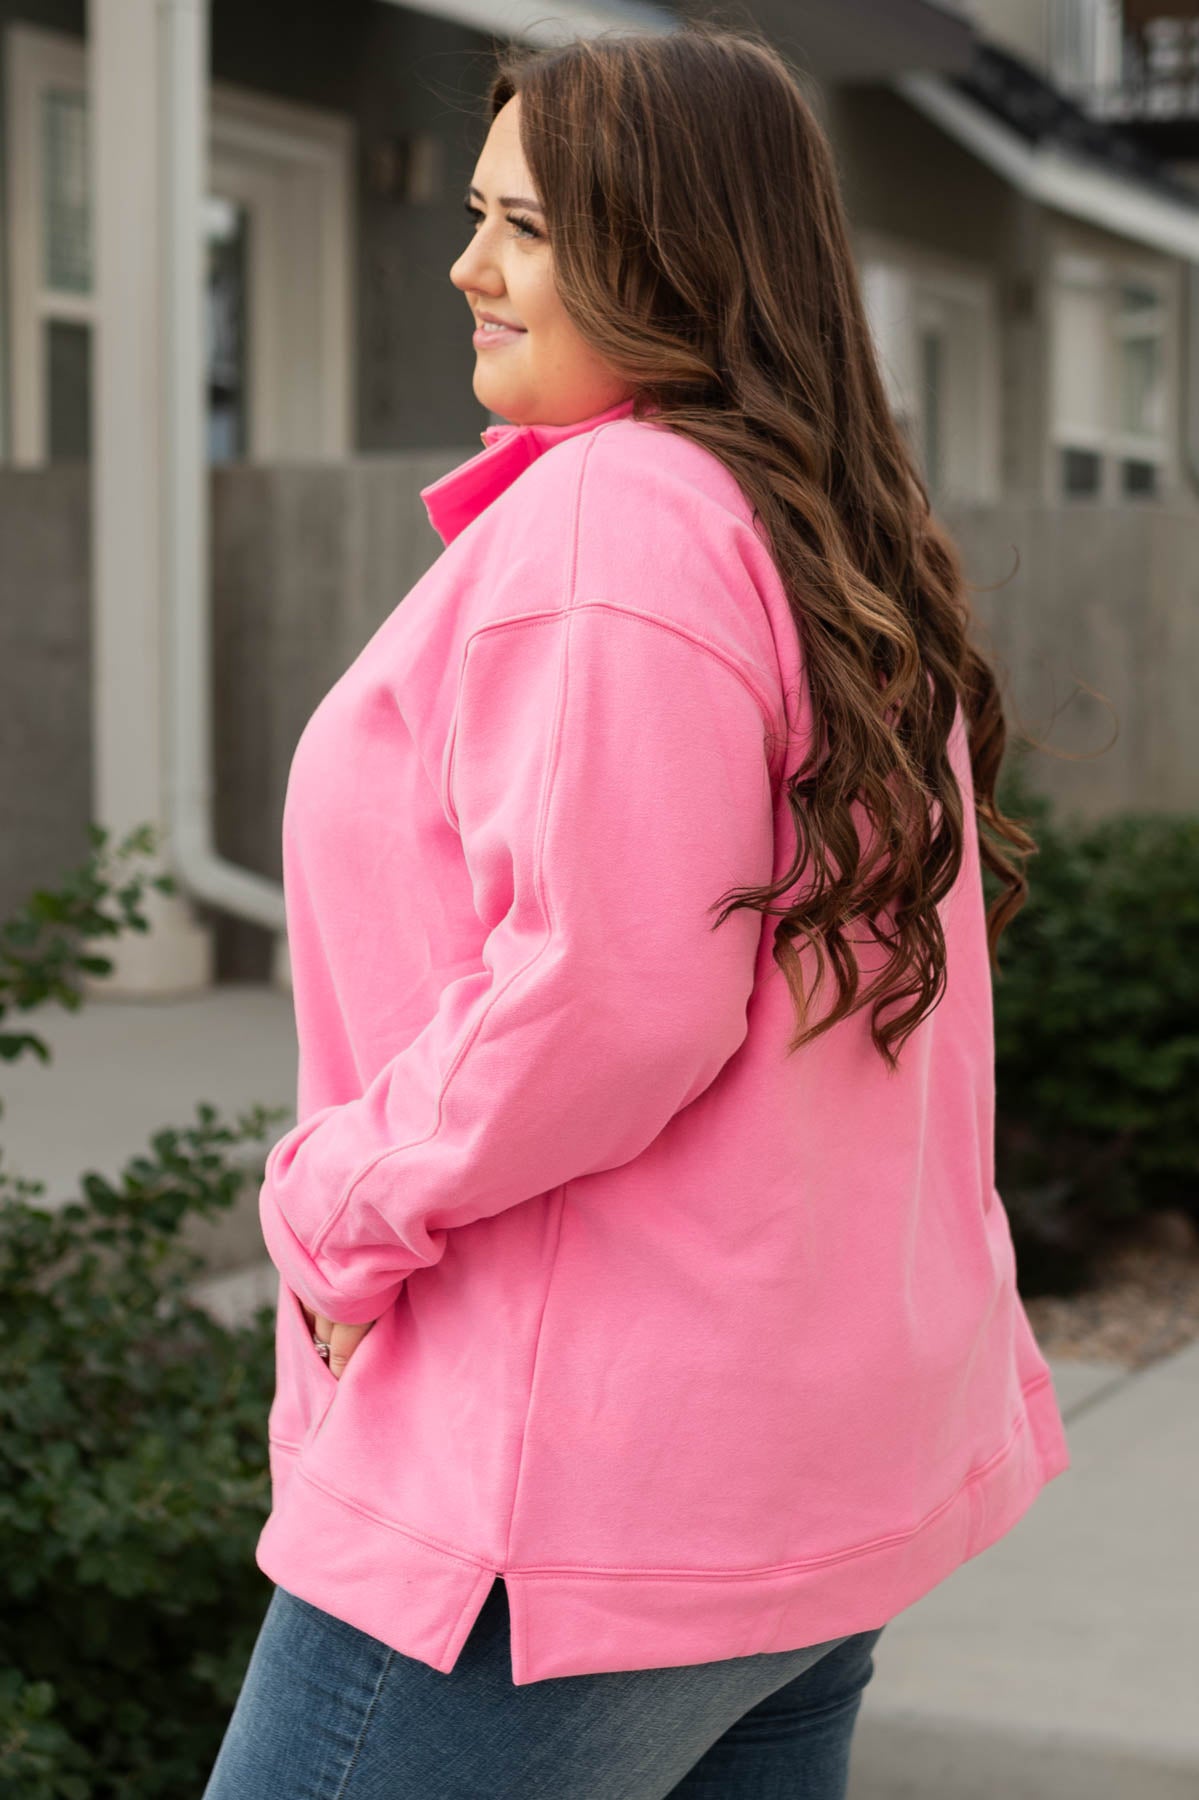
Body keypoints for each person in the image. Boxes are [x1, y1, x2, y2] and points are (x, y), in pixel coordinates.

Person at [202, 23, 1071, 1798]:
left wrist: (338, 1203)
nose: (467, 267)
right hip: (794, 1502)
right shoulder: (807, 529)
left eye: (521, 226)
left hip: (562, 1514)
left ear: (664, 256)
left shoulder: (617, 525)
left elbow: (609, 998)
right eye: (472, 212)